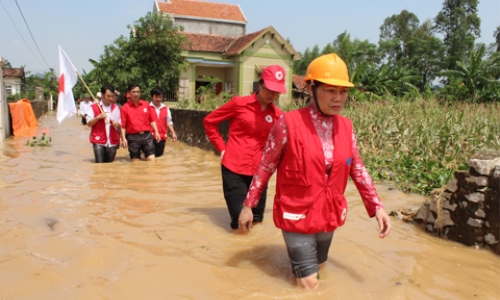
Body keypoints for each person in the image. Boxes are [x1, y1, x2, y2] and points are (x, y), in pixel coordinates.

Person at [239, 54, 391, 290]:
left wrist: (377, 208)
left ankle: (298, 270)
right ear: (311, 87)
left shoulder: (346, 127)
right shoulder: (287, 124)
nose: (338, 98)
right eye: (330, 90)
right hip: (296, 215)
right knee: (310, 284)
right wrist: (249, 206)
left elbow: (357, 168)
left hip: (328, 215)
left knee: (320, 267)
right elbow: (265, 166)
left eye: (343, 91)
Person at [203, 65, 286, 230]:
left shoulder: (279, 116)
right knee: (240, 221)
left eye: (276, 91)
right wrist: (222, 148)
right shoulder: (238, 104)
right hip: (233, 169)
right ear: (259, 85)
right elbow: (209, 122)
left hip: (260, 174)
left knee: (256, 222)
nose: (272, 94)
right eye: (269, 89)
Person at [120, 83, 161, 162]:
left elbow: (152, 120)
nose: (136, 94)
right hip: (133, 137)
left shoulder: (146, 105)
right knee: (136, 162)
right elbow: (123, 125)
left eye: (138, 92)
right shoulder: (125, 108)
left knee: (151, 159)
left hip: (147, 136)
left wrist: (156, 131)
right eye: (133, 92)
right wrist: (123, 138)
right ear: (129, 93)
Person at [86, 84, 121, 163]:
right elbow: (89, 123)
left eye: (112, 96)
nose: (111, 98)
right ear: (102, 95)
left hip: (112, 141)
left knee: (109, 166)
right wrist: (98, 117)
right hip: (98, 140)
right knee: (100, 165)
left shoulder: (116, 108)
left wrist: (117, 124)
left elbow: (121, 123)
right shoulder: (94, 107)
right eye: (108, 96)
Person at [149, 87, 177, 157]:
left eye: (160, 97)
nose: (158, 99)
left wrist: (173, 133)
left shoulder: (166, 109)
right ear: (152, 97)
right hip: (149, 137)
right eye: (156, 97)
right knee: (150, 157)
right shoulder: (147, 108)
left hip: (162, 137)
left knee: (159, 156)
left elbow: (168, 122)